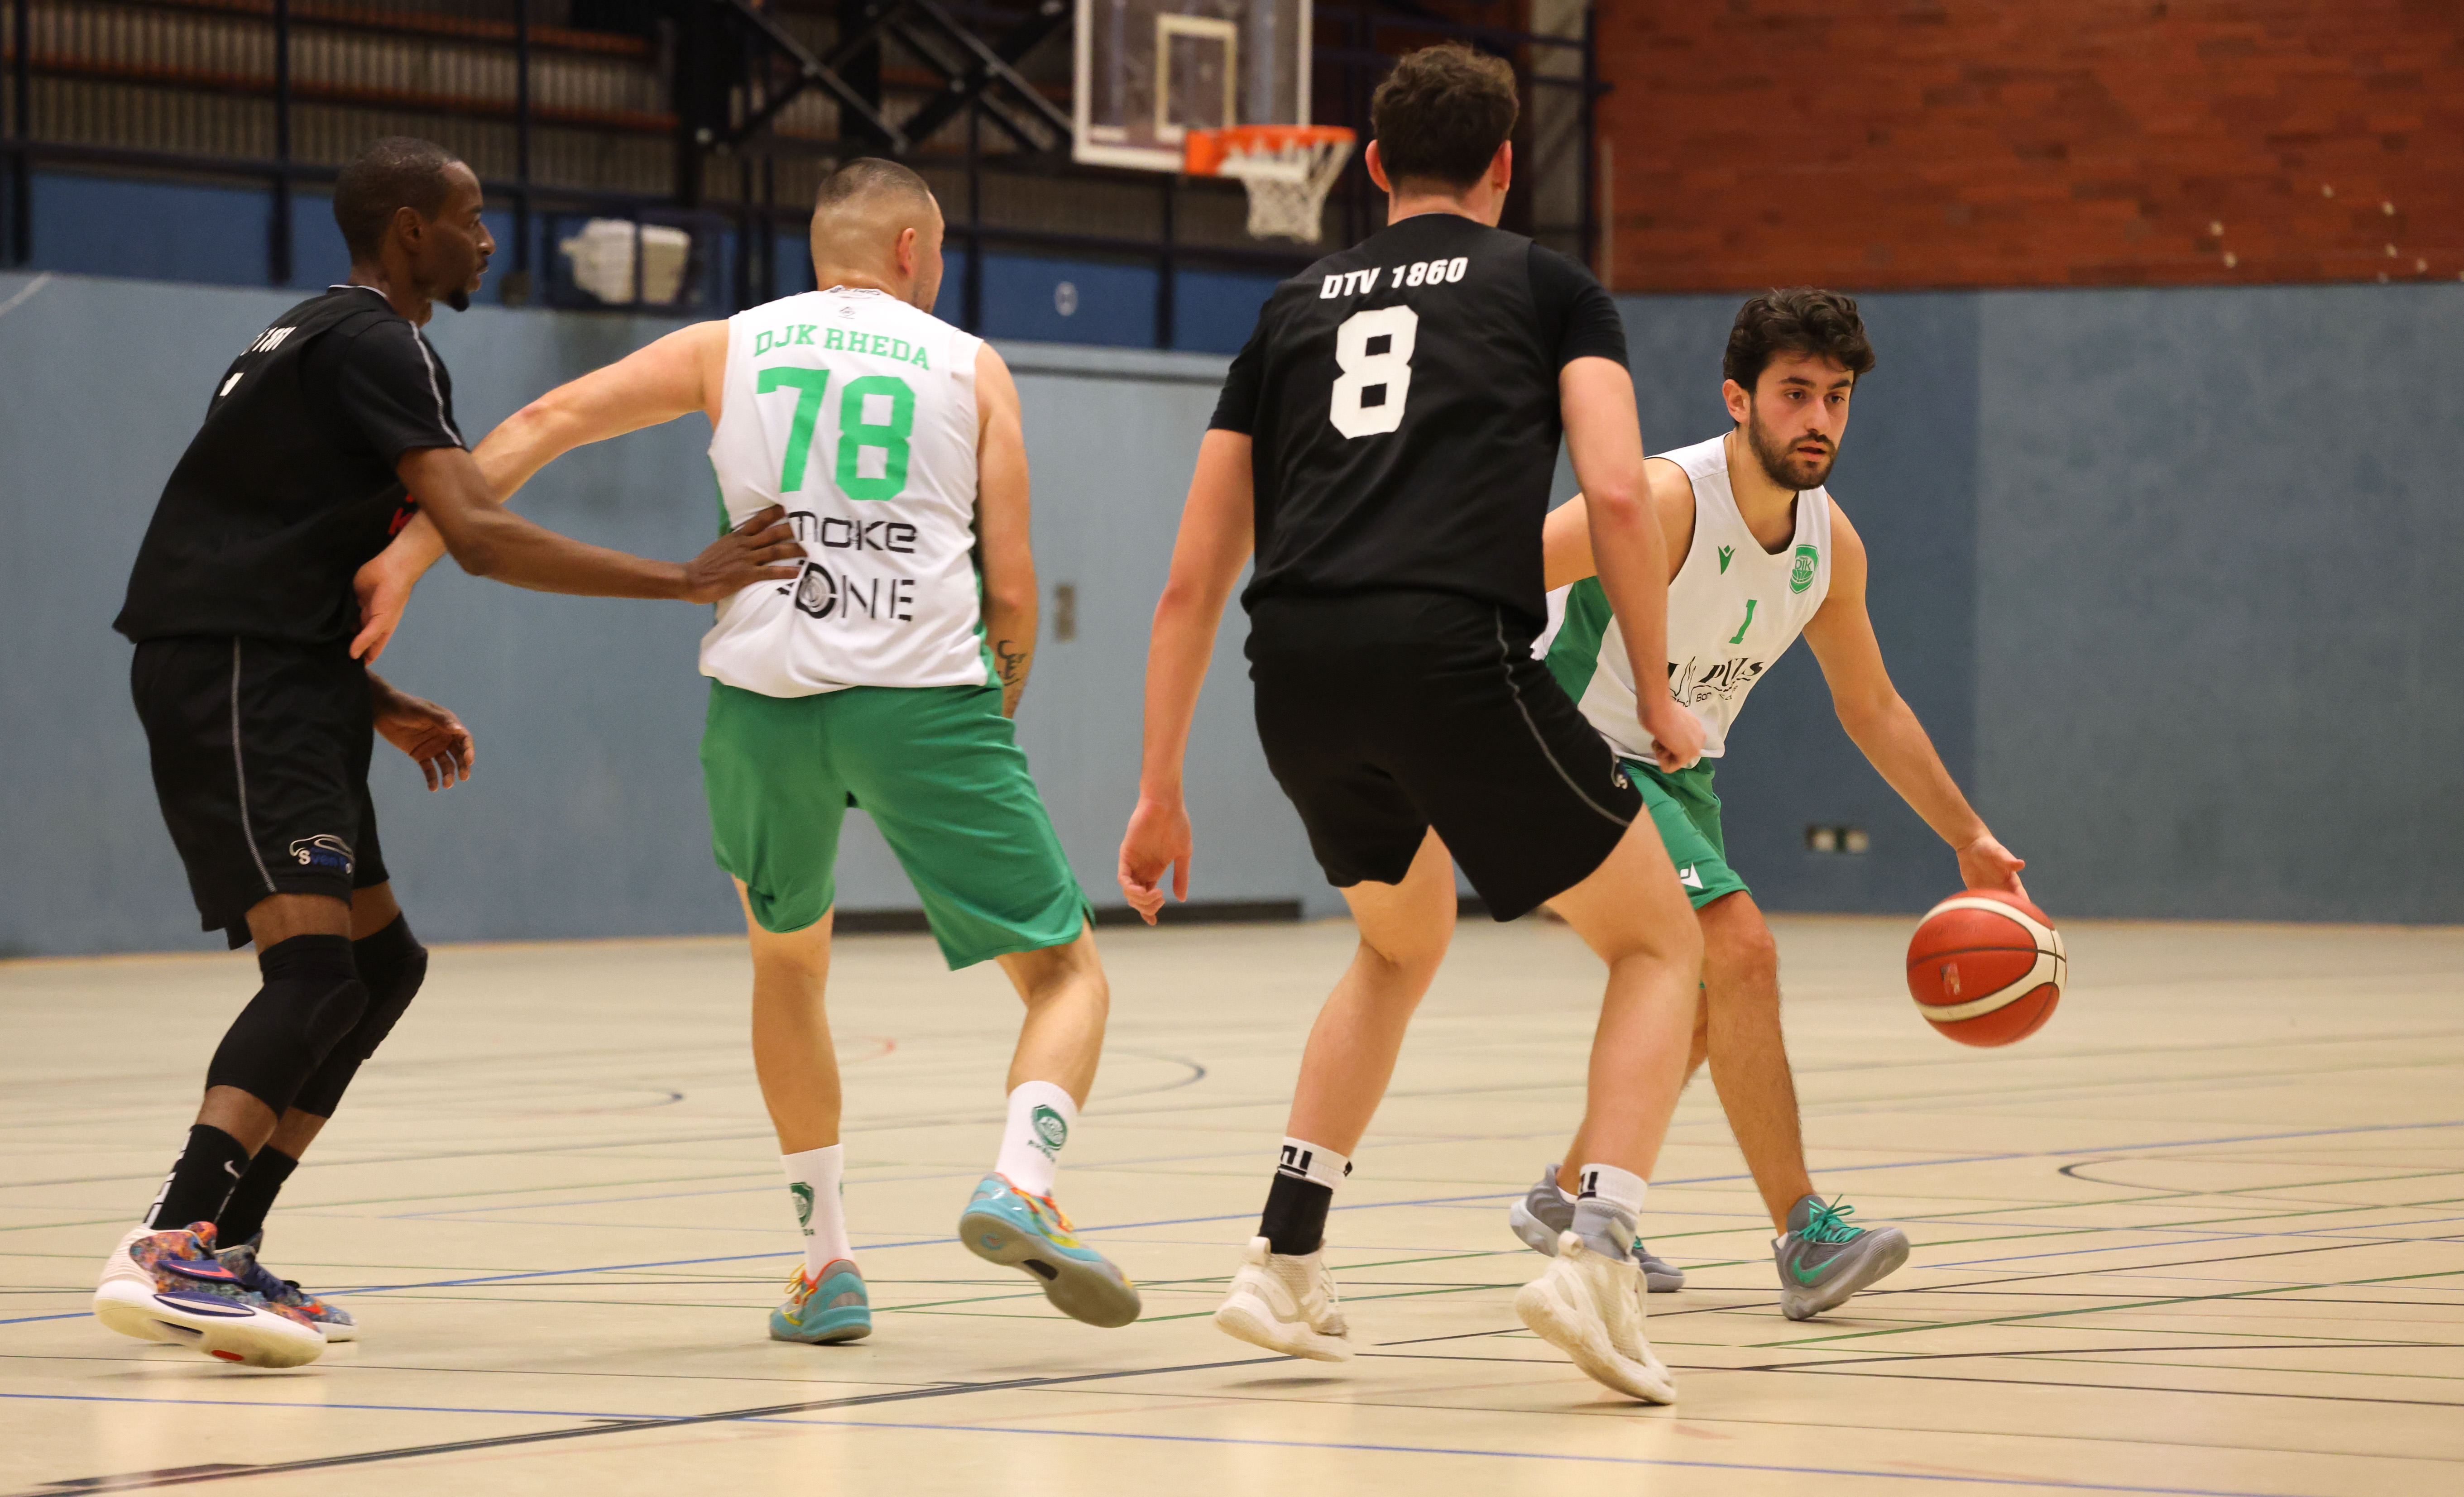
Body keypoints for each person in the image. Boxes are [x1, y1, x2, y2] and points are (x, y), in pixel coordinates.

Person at [355, 158, 1135, 1346]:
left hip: (764, 706)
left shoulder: (730, 346)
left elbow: (541, 426)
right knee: (1066, 972)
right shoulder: (970, 366)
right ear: (913, 250)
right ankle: (1021, 1181)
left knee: (788, 968)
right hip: (925, 704)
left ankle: (828, 1264)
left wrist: (408, 560)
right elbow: (1014, 592)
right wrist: (986, 723)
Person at [96, 136, 802, 1368]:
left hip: (283, 671)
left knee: (380, 968)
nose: (488, 240)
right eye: (471, 220)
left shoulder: (314, 337)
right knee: (312, 972)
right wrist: (686, 578)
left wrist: (367, 693)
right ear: (410, 229)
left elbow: (263, 536)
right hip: (240, 674)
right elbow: (475, 532)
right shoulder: (378, 340)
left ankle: (229, 1243)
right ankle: (170, 1240)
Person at [1118, 45, 1705, 1404]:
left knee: (1398, 938)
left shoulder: (1285, 311)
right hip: (1449, 654)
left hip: (1297, 671)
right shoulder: (1550, 288)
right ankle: (1598, 1254)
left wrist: (1159, 786)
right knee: (1659, 942)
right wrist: (1658, 688)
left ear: (1375, 166)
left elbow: (1190, 579)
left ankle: (1283, 1256)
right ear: (1507, 165)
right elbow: (1620, 495)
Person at [1512, 288, 2031, 1320]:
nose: (1819, 418)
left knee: (1707, 1003)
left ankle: (1568, 1194)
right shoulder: (1665, 498)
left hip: (1677, 773)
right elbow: (1499, 566)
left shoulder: (1830, 546)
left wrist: (1968, 836)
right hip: (1565, 743)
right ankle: (1802, 1234)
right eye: (1795, 393)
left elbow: (1871, 706)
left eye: (1837, 397)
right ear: (1737, 399)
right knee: (1740, 948)